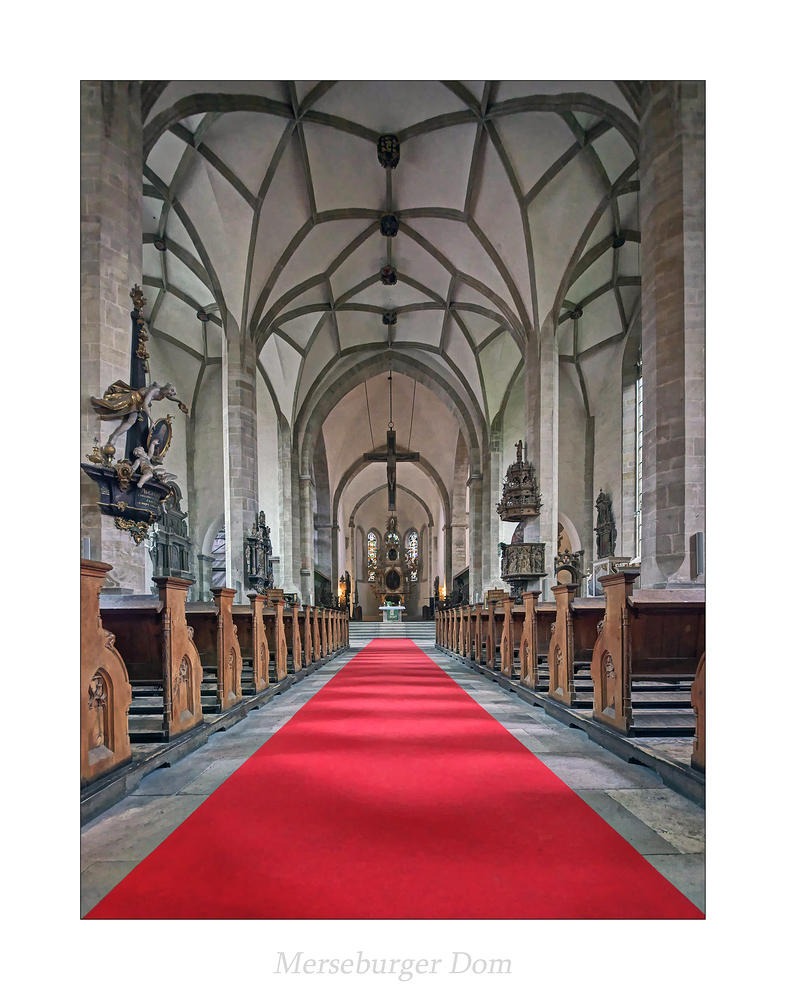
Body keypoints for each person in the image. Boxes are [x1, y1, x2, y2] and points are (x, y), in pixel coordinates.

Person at [90, 381, 188, 449]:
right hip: (132, 398)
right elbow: (145, 404)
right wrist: (151, 419)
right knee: (114, 406)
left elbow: (170, 398)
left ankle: (113, 436)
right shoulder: (154, 391)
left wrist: (179, 402)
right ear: (166, 389)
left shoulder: (163, 394)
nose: (172, 394)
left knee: (131, 422)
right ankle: (95, 401)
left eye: (173, 393)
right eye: (171, 391)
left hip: (137, 406)